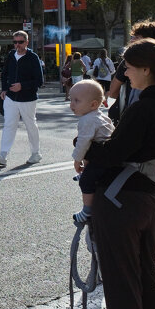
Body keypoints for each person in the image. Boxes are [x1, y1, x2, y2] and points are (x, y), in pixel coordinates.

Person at [85, 38, 155, 309]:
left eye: (128, 66)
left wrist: (84, 145)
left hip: (120, 201)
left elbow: (115, 152)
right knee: (149, 284)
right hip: (152, 197)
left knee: (122, 292)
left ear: (146, 69)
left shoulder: (143, 106)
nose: (124, 72)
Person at [0, 30, 43, 167]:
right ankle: (3, 155)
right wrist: (4, 89)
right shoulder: (11, 55)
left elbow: (39, 81)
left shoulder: (33, 57)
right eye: (15, 42)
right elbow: (4, 73)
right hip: (11, 98)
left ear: (27, 42)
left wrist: (22, 86)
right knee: (9, 125)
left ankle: (36, 153)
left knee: (30, 125)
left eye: (20, 42)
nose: (17, 45)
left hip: (28, 98)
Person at [69, 79, 114, 223]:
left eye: (77, 101)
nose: (72, 105)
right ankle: (85, 173)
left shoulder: (87, 120)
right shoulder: (99, 115)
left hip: (103, 160)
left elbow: (83, 144)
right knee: (90, 148)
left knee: (86, 183)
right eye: (71, 99)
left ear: (93, 104)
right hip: (105, 154)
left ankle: (87, 210)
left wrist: (77, 161)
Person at [109, 19, 155, 124]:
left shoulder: (129, 62)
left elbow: (113, 92)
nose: (131, 40)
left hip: (134, 118)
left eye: (136, 37)